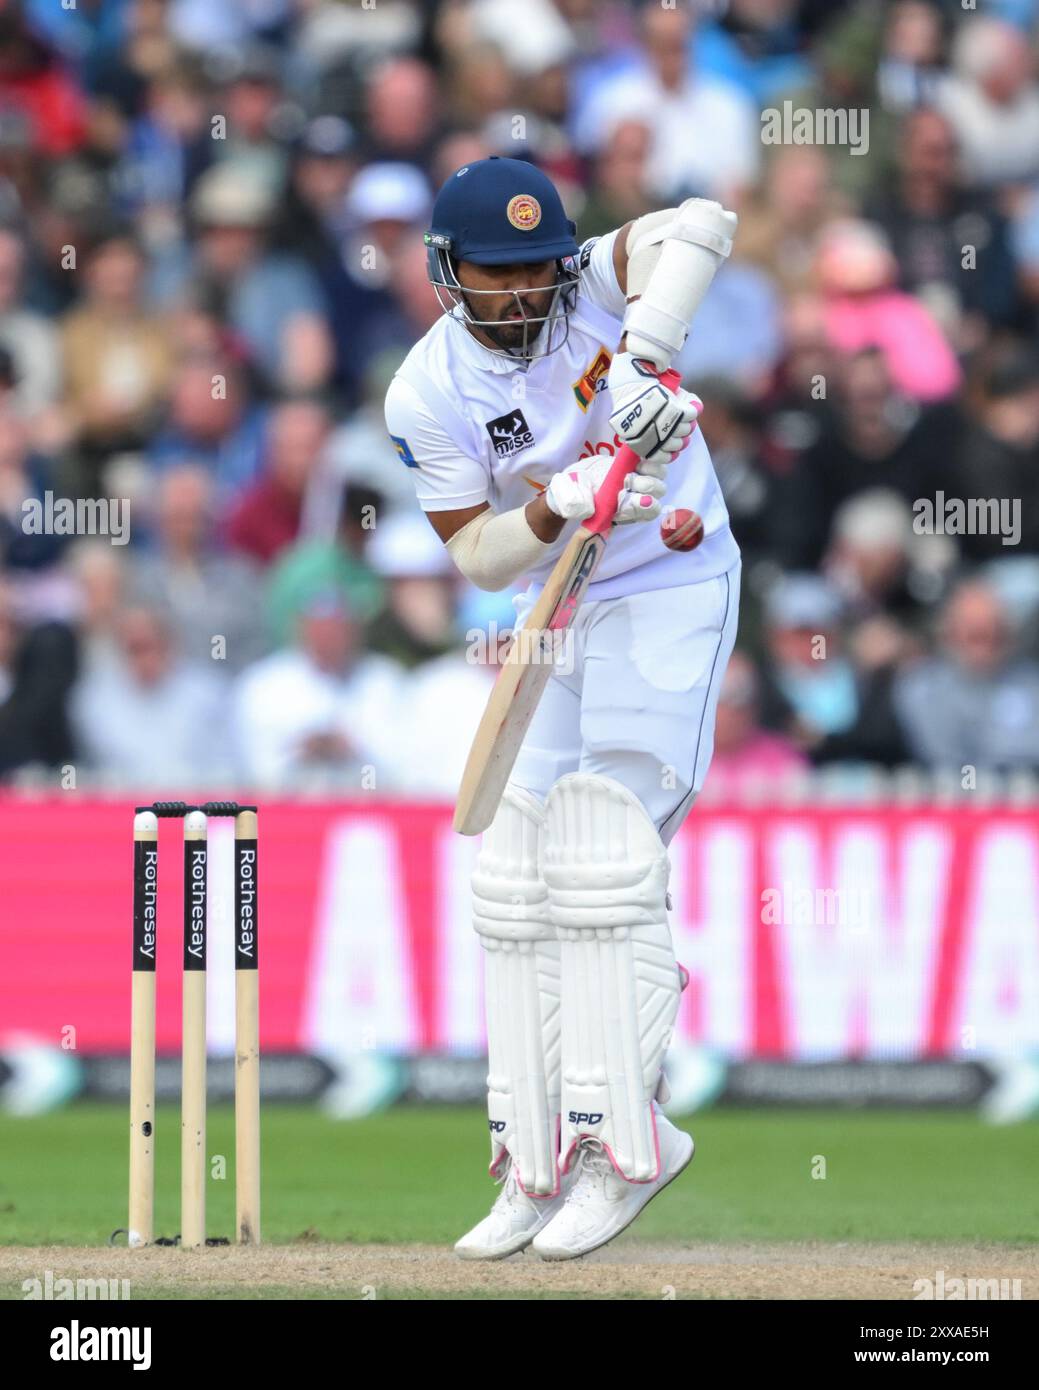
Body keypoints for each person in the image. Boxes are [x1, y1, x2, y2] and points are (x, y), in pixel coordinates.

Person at [384, 155, 740, 1259]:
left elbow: (703, 221)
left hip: (670, 588)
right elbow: (482, 555)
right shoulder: (425, 391)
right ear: (448, 274)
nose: (525, 292)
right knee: (519, 870)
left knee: (606, 854)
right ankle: (534, 1159)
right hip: (557, 598)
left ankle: (622, 1144)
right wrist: (555, 509)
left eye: (538, 269)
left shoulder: (591, 284)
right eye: (496, 275)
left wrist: (642, 358)